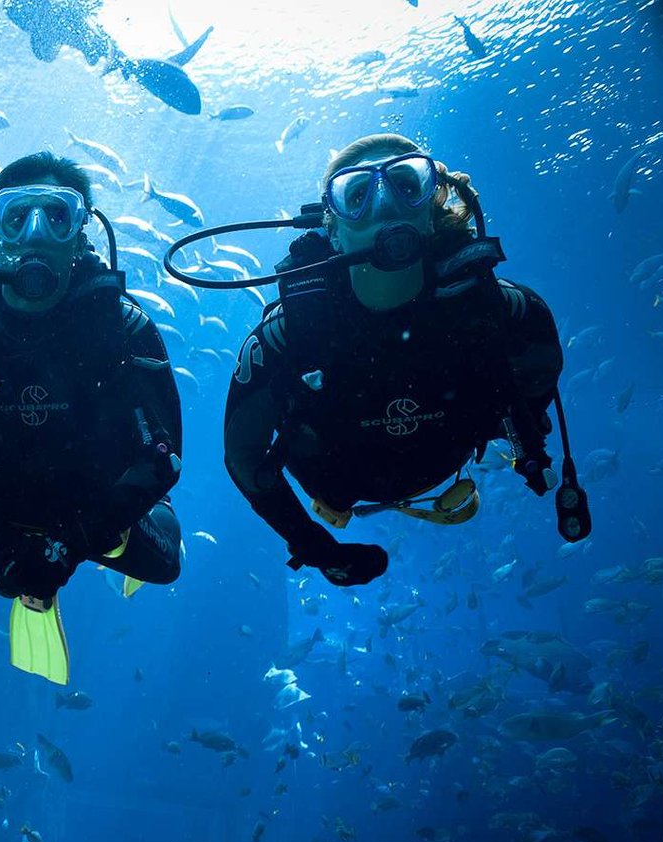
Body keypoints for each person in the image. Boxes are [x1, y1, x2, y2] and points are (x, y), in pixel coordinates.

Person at [223, 134, 569, 588]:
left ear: (431, 207)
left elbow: (542, 366)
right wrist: (313, 544)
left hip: (436, 466)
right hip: (346, 487)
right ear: (332, 227)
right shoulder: (287, 336)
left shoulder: (494, 309)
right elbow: (242, 453)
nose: (383, 202)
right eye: (358, 193)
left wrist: (518, 426)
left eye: (406, 183)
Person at [0, 152, 184, 682]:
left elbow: (162, 458)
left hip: (96, 497)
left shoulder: (123, 327)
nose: (35, 234)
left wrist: (79, 538)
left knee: (164, 566)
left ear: (81, 236)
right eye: (14, 216)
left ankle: (114, 539)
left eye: (57, 216)